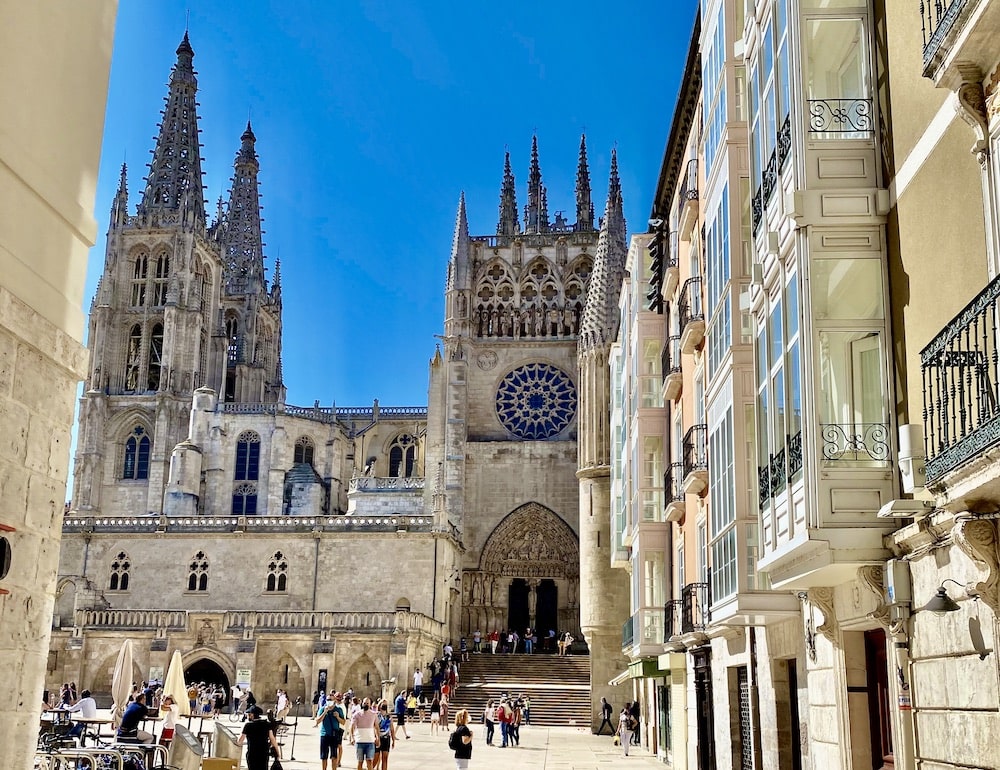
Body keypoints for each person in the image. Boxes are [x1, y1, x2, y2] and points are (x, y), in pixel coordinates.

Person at [238, 705, 281, 770]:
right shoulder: (266, 724)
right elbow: (272, 739)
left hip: (252, 753)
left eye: (248, 714)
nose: (247, 716)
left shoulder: (248, 725)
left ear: (252, 715)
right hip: (264, 753)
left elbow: (240, 740)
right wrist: (277, 752)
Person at [315, 691, 346, 770]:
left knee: (334, 756)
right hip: (324, 734)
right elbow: (317, 721)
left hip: (334, 734)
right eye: (328, 699)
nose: (329, 701)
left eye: (331, 700)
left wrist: (338, 717)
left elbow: (343, 722)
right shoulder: (322, 709)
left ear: (334, 701)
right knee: (324, 756)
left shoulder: (338, 709)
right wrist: (325, 712)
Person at [351, 697, 378, 770]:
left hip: (370, 741)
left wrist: (378, 738)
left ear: (370, 705)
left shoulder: (374, 714)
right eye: (364, 703)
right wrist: (352, 737)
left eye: (367, 703)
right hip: (360, 741)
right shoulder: (357, 714)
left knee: (370, 761)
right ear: (362, 703)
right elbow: (352, 726)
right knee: (360, 762)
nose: (366, 705)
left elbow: (376, 727)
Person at [375, 699, 395, 770]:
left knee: (385, 758)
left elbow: (392, 728)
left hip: (386, 738)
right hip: (378, 738)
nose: (384, 706)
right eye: (383, 704)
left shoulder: (389, 717)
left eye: (386, 705)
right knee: (376, 758)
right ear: (379, 706)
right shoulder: (376, 715)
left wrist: (393, 739)